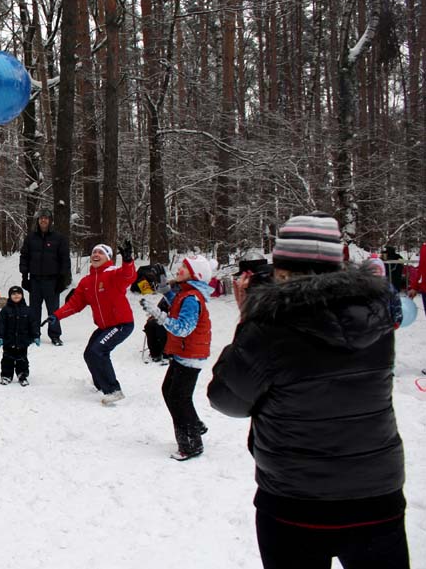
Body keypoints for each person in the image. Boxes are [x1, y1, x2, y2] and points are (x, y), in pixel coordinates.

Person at [208, 212, 409, 569]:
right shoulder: (377, 315)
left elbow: (227, 399)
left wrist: (248, 317)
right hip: (377, 495)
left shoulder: (269, 326)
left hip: (294, 501)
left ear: (281, 266)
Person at [140, 254, 216, 461]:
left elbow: (183, 328)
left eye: (185, 267)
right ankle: (194, 425)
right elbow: (177, 306)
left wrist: (158, 314)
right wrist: (166, 292)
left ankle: (191, 445)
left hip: (191, 355)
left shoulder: (192, 298)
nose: (179, 269)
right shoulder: (186, 293)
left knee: (178, 398)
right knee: (170, 392)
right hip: (185, 354)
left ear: (196, 275)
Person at [50, 242, 136, 405]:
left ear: (108, 258)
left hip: (122, 324)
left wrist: (128, 261)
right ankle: (100, 385)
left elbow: (128, 276)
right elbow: (75, 304)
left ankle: (113, 390)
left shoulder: (113, 274)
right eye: (94, 252)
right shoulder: (87, 281)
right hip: (104, 327)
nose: (96, 254)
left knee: (98, 351)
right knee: (89, 353)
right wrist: (56, 316)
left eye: (100, 253)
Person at [19, 208, 71, 345]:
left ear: (50, 221)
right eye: (41, 218)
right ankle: (34, 334)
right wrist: (25, 277)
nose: (43, 220)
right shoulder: (30, 238)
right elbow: (24, 257)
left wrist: (62, 279)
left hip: (52, 281)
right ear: (38, 220)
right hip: (35, 280)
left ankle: (55, 335)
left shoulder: (58, 238)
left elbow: (65, 259)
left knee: (53, 310)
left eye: (46, 218)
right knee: (34, 309)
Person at [0, 285, 40, 386]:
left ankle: (22, 375)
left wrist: (36, 336)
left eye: (18, 294)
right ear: (10, 296)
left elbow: (33, 324)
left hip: (23, 340)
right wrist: (0, 337)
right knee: (7, 359)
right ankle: (6, 376)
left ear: (22, 295)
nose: (16, 296)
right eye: (13, 294)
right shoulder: (5, 310)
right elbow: (1, 324)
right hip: (8, 340)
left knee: (22, 360)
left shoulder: (28, 310)